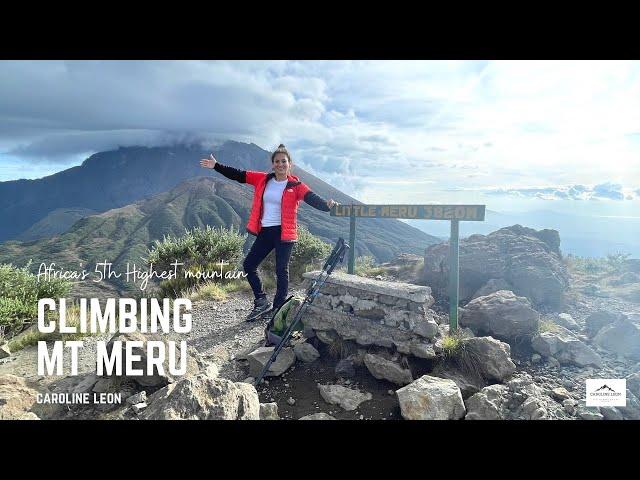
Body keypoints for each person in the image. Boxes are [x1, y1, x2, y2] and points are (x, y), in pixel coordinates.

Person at [200, 144, 337, 321]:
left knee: (281, 271)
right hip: (265, 231)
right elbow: (239, 175)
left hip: (284, 233)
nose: (280, 164)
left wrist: (327, 206)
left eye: (284, 161)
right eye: (277, 161)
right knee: (249, 265)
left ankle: (278, 308)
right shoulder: (263, 180)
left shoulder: (296, 185)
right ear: (273, 164)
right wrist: (216, 166)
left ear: (289, 164)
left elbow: (313, 199)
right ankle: (261, 301)